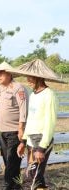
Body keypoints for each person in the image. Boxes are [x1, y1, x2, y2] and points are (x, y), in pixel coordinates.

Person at [14, 59, 66, 190]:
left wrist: (41, 148)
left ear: (40, 77)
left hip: (41, 140)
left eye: (31, 77)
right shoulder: (33, 95)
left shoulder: (49, 95)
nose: (28, 80)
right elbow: (30, 119)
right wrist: (23, 141)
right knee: (38, 178)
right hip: (31, 140)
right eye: (27, 76)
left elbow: (50, 122)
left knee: (29, 177)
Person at [0, 61, 28, 190]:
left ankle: (7, 185)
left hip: (15, 131)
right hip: (2, 131)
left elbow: (24, 110)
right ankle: (16, 185)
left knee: (12, 161)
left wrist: (21, 129)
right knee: (8, 160)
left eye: (1, 74)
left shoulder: (18, 88)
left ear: (10, 74)